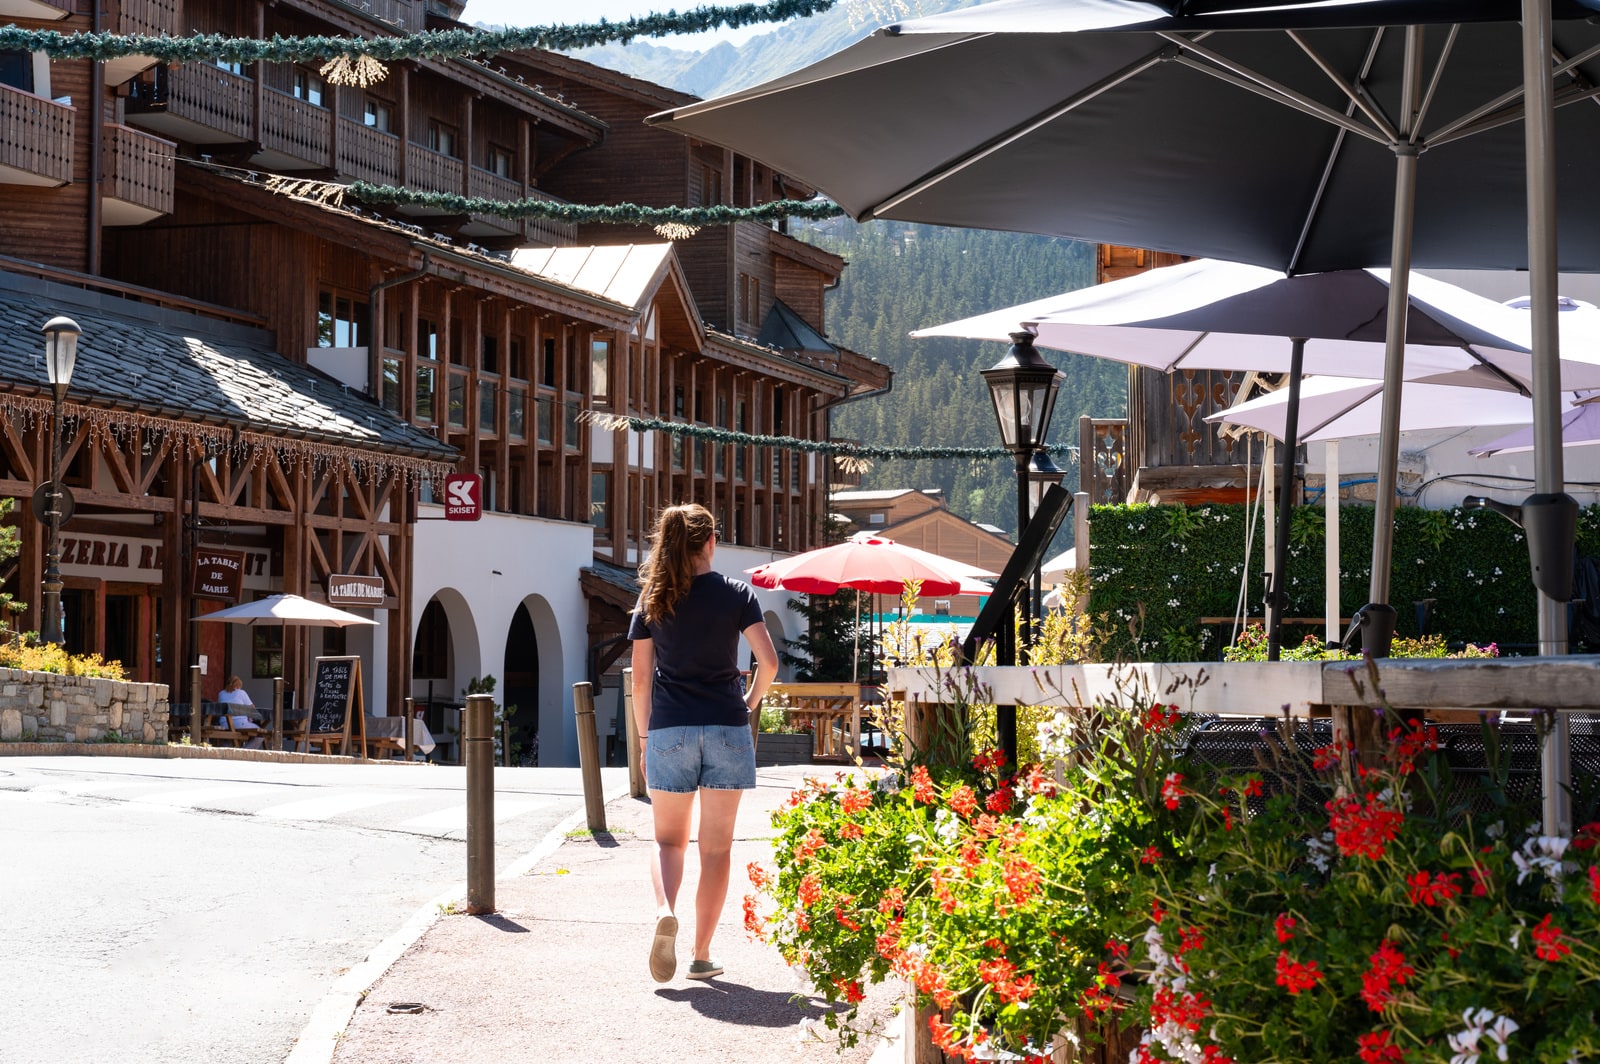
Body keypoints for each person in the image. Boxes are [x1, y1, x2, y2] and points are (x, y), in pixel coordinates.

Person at [629, 503, 778, 983]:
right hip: (727, 728)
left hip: (670, 728)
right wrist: (749, 702)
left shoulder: (654, 599)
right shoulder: (737, 594)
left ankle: (662, 910)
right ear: (710, 541)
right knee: (716, 849)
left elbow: (640, 682)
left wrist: (643, 739)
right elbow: (769, 663)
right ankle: (700, 953)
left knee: (668, 841)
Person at [216, 676, 266, 748]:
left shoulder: (221, 693)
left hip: (224, 724)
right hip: (239, 724)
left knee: (231, 739)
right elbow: (252, 708)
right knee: (260, 733)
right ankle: (246, 752)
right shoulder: (241, 693)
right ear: (239, 685)